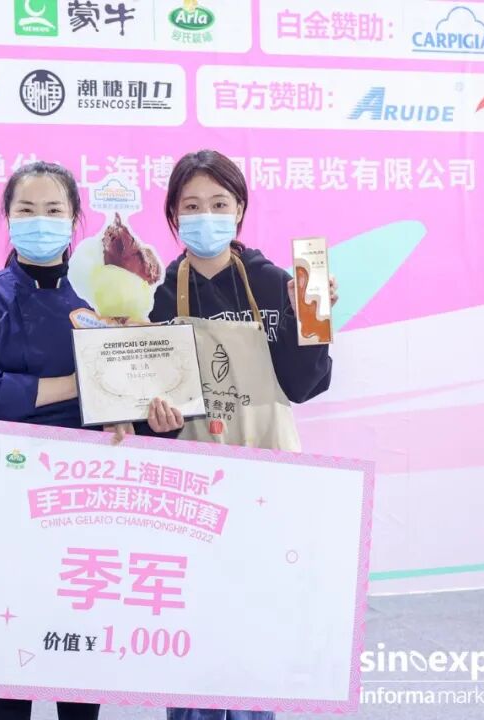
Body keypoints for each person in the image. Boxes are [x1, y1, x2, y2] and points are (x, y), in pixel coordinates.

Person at [0, 160, 181, 720]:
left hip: (88, 492)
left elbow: (136, 394)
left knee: (80, 639)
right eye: (26, 210)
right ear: (7, 217)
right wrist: (82, 383)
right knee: (10, 639)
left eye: (54, 210)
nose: (40, 221)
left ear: (75, 218)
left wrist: (153, 412)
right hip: (10, 488)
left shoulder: (107, 300)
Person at [150, 149, 338, 720]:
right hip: (190, 484)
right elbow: (144, 398)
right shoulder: (157, 294)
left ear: (239, 210)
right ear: (173, 216)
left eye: (218, 203)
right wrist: (154, 421)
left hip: (266, 478)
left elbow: (304, 386)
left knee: (259, 621)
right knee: (193, 623)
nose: (205, 216)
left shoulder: (277, 283)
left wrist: (315, 325)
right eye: (191, 206)